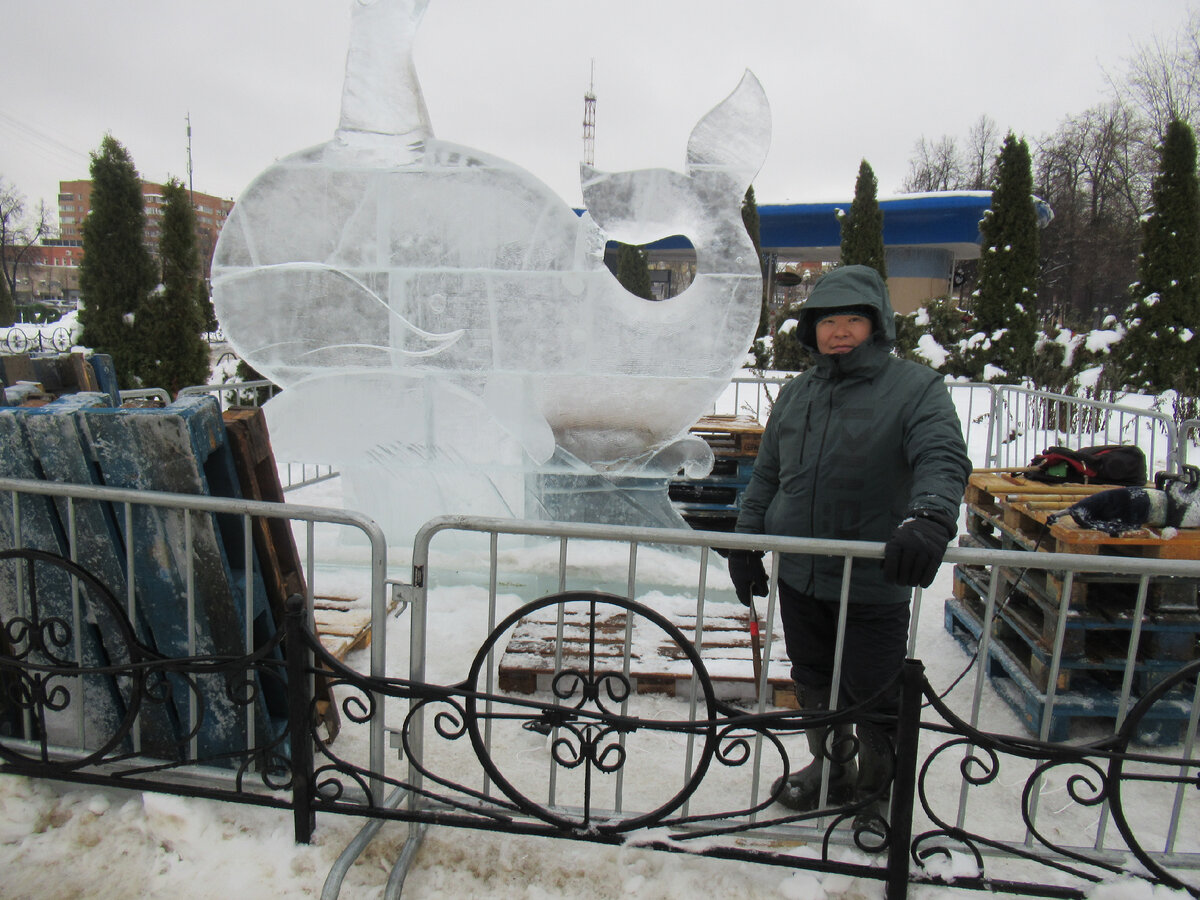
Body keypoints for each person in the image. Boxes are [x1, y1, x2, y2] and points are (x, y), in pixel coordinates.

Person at [727, 265, 970, 828]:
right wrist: (744, 543)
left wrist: (930, 515)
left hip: (872, 581)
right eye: (827, 320)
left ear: (876, 325)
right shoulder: (796, 393)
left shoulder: (915, 389)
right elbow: (768, 475)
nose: (839, 331)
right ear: (810, 330)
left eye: (853, 319)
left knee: (875, 692)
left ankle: (875, 793)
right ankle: (830, 769)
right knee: (813, 679)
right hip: (802, 576)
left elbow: (943, 456)